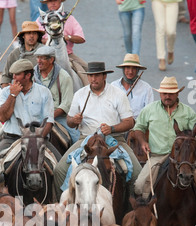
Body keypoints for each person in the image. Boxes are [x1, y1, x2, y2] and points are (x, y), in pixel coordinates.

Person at [53, 61, 142, 199]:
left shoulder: (117, 94)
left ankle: (130, 211)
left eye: (97, 75)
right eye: (91, 76)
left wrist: (112, 128)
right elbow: (69, 121)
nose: (93, 79)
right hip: (86, 139)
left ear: (104, 76)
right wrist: (74, 120)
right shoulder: (80, 94)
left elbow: (129, 122)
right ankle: (66, 206)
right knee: (59, 170)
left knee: (137, 173)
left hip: (114, 139)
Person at [133, 76, 196, 201]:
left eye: (171, 93)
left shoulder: (188, 112)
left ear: (177, 93)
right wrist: (143, 142)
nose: (167, 96)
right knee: (139, 186)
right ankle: (146, 215)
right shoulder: (149, 110)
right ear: (160, 94)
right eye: (164, 93)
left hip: (184, 157)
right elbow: (138, 128)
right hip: (157, 156)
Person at [0, 58, 57, 157]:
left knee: (58, 169)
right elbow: (2, 117)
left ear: (28, 75)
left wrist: (37, 140)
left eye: (17, 74)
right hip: (11, 139)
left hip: (39, 139)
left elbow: (49, 122)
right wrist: (12, 95)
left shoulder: (44, 92)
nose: (14, 78)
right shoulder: (6, 92)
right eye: (13, 74)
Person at [33, 44, 79, 144]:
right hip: (34, 116)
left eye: (43, 58)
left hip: (58, 117)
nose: (39, 61)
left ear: (51, 60)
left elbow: (66, 104)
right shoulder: (32, 76)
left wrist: (49, 117)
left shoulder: (64, 77)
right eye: (38, 57)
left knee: (77, 139)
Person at [37, 0, 88, 84]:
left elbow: (81, 38)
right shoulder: (40, 20)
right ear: (46, 3)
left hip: (68, 55)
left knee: (87, 69)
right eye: (50, 1)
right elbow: (35, 39)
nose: (53, 3)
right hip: (45, 56)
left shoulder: (69, 18)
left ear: (60, 1)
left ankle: (89, 93)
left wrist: (68, 37)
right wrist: (46, 40)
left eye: (55, 0)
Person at [0, 20, 44, 87]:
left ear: (38, 36)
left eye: (34, 33)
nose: (32, 36)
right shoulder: (15, 54)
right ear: (23, 36)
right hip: (19, 91)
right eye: (29, 33)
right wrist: (6, 93)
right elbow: (6, 77)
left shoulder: (44, 51)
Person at [111, 53, 154, 120]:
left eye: (134, 68)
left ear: (138, 70)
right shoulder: (114, 86)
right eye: (128, 67)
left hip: (138, 127)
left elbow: (149, 113)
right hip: (117, 126)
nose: (130, 72)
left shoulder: (146, 88)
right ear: (123, 69)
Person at [151, 0, 181, 71]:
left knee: (171, 31)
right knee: (160, 28)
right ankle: (161, 58)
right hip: (157, 2)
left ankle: (170, 50)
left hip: (173, 2)